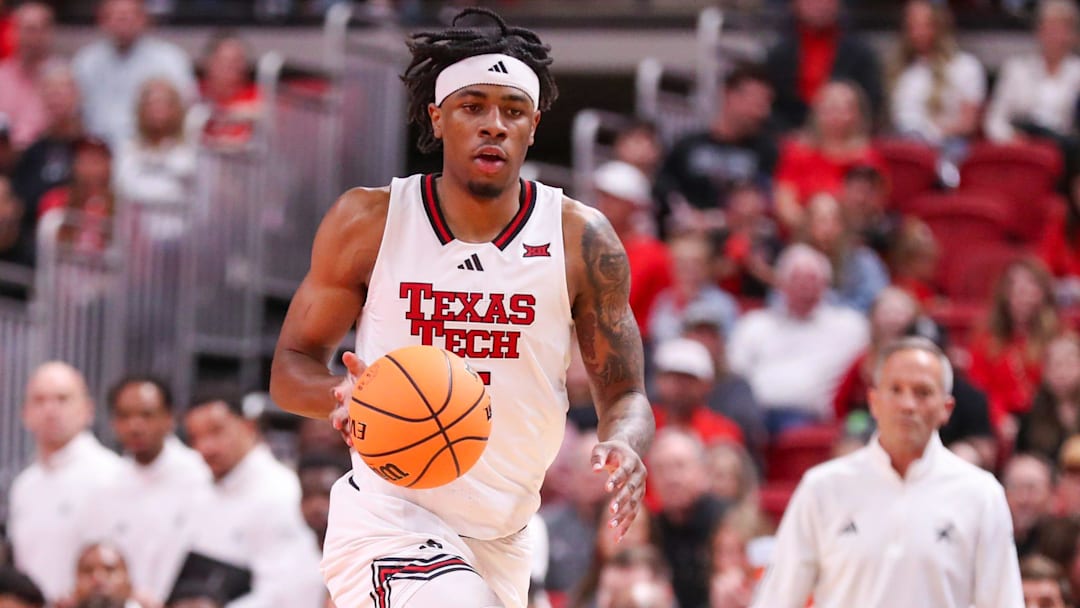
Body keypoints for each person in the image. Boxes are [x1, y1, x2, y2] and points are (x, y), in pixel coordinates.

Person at [268, 8, 654, 608]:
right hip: (387, 516)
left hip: (505, 532)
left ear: (533, 125)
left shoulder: (581, 238)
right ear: (438, 117)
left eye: (512, 110)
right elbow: (290, 367)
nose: (493, 125)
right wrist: (341, 398)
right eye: (473, 106)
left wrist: (625, 443)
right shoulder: (369, 222)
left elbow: (625, 394)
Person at [751, 337, 1023, 607]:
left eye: (923, 392)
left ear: (946, 408)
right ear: (874, 401)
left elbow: (1003, 601)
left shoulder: (981, 494)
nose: (908, 404)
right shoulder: (822, 488)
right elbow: (777, 599)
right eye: (896, 389)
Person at [181, 393, 324, 607]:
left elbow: (290, 590)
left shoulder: (281, 490)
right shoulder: (197, 482)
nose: (205, 447)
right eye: (195, 437)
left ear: (248, 427)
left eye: (216, 431)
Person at [81, 376, 211, 604]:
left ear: (170, 418)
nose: (135, 426)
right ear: (113, 422)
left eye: (146, 415)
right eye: (125, 416)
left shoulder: (202, 476)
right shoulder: (105, 485)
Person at [7, 362, 122, 603]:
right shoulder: (24, 485)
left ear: (88, 409)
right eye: (39, 400)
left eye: (62, 399)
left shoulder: (112, 475)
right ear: (25, 414)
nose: (50, 410)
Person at [72, 0, 195, 148]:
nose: (123, 23)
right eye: (117, 17)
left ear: (145, 19)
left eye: (128, 16)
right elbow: (75, 114)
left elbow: (187, 107)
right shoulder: (86, 61)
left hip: (154, 151)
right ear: (102, 20)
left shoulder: (170, 58)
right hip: (96, 152)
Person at [764, 0, 883, 133]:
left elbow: (870, 102)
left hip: (846, 138)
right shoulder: (778, 54)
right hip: (789, 137)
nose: (820, 5)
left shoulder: (861, 53)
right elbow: (770, 105)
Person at [985, 0, 1080, 144]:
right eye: (1049, 28)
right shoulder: (1016, 69)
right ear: (1038, 31)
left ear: (1073, 35)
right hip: (1019, 145)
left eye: (1062, 29)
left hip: (1063, 150)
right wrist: (1012, 139)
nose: (1054, 36)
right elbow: (994, 119)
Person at [0, 2, 55, 151]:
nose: (33, 38)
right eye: (28, 30)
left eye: (40, 30)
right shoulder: (1, 76)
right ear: (13, 32)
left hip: (46, 159)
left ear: (49, 33)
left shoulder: (61, 77)